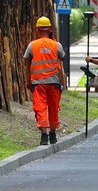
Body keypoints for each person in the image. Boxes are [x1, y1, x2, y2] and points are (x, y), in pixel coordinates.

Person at [24, 16, 67, 146]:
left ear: (37, 29)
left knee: (40, 108)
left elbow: (27, 64)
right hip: (54, 83)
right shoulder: (57, 45)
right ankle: (53, 134)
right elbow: (62, 60)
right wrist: (62, 84)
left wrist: (28, 81)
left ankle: (44, 135)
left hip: (38, 83)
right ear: (49, 29)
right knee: (53, 108)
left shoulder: (32, 45)